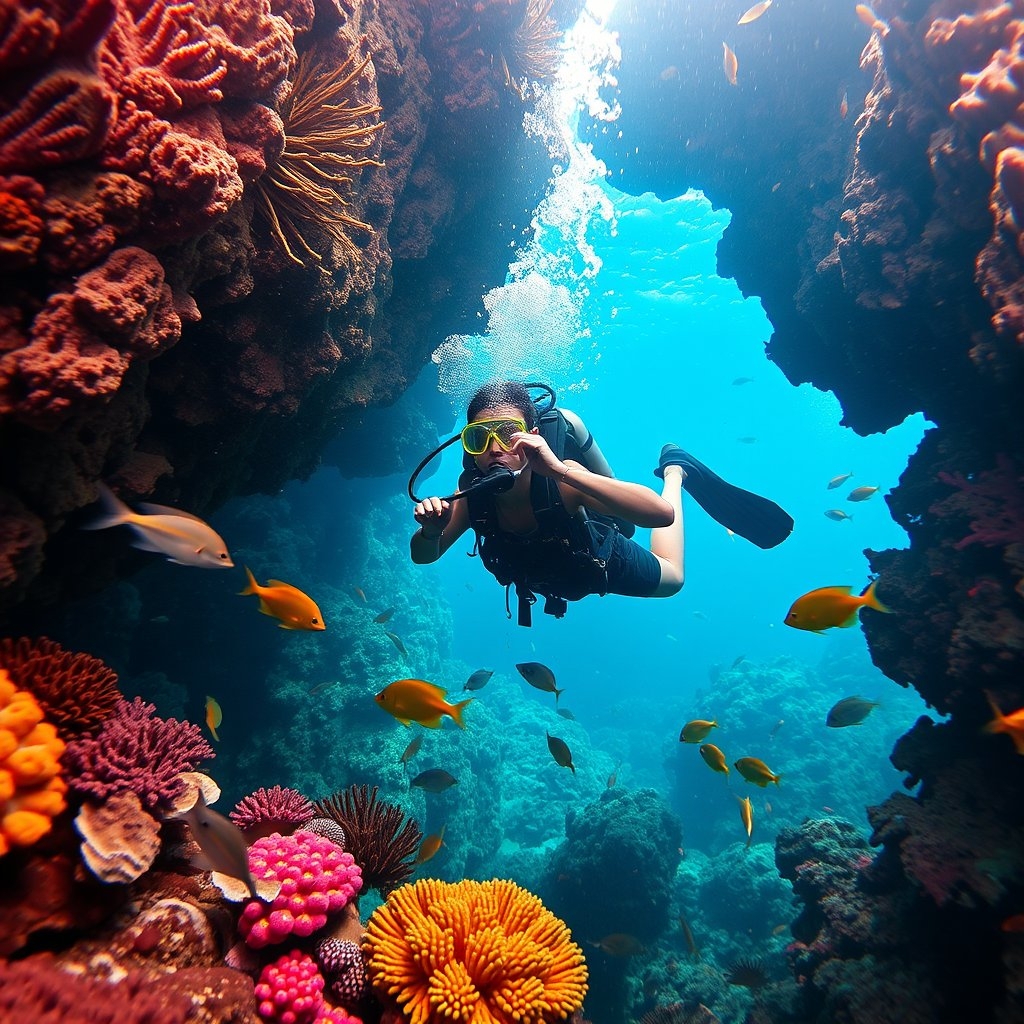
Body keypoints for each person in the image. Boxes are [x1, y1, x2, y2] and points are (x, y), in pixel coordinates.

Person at [411, 381, 691, 624]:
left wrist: (559, 470)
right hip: (548, 576)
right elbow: (423, 556)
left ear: (533, 437)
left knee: (673, 578)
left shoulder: (561, 480)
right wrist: (431, 531)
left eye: (509, 435)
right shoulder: (472, 495)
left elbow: (661, 514)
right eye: (479, 438)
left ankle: (674, 472)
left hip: (596, 560)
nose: (494, 449)